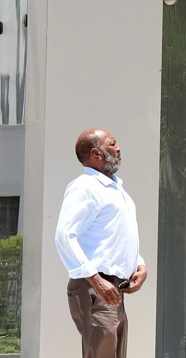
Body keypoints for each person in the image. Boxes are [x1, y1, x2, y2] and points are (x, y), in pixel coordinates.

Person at [55, 128, 148, 358]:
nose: (119, 149)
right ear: (97, 153)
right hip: (95, 289)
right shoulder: (85, 187)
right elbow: (64, 236)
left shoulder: (115, 189)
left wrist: (140, 265)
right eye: (113, 144)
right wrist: (96, 280)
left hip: (115, 289)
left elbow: (117, 236)